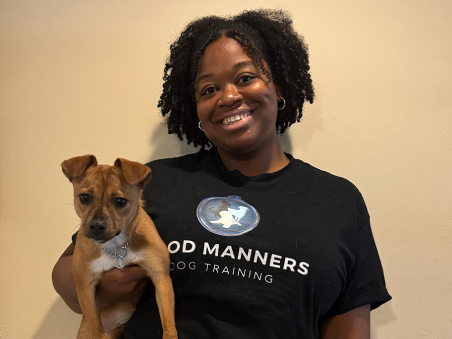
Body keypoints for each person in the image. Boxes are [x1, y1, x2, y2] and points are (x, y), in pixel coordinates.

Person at [52, 9, 391, 339]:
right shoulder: (155, 181)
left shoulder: (338, 199)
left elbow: (347, 319)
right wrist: (108, 286)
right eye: (209, 90)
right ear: (195, 110)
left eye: (246, 78)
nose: (228, 96)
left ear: (280, 85)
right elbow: (69, 271)